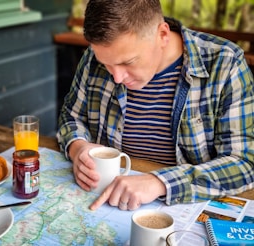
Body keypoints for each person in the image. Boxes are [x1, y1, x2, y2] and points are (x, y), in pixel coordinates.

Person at [56, 0, 254, 211]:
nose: (116, 77)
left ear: (162, 35)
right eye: (106, 65)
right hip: (106, 203)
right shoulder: (94, 58)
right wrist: (78, 147)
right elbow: (71, 115)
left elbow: (244, 164)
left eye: (127, 62)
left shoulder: (225, 63)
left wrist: (159, 182)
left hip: (183, 208)